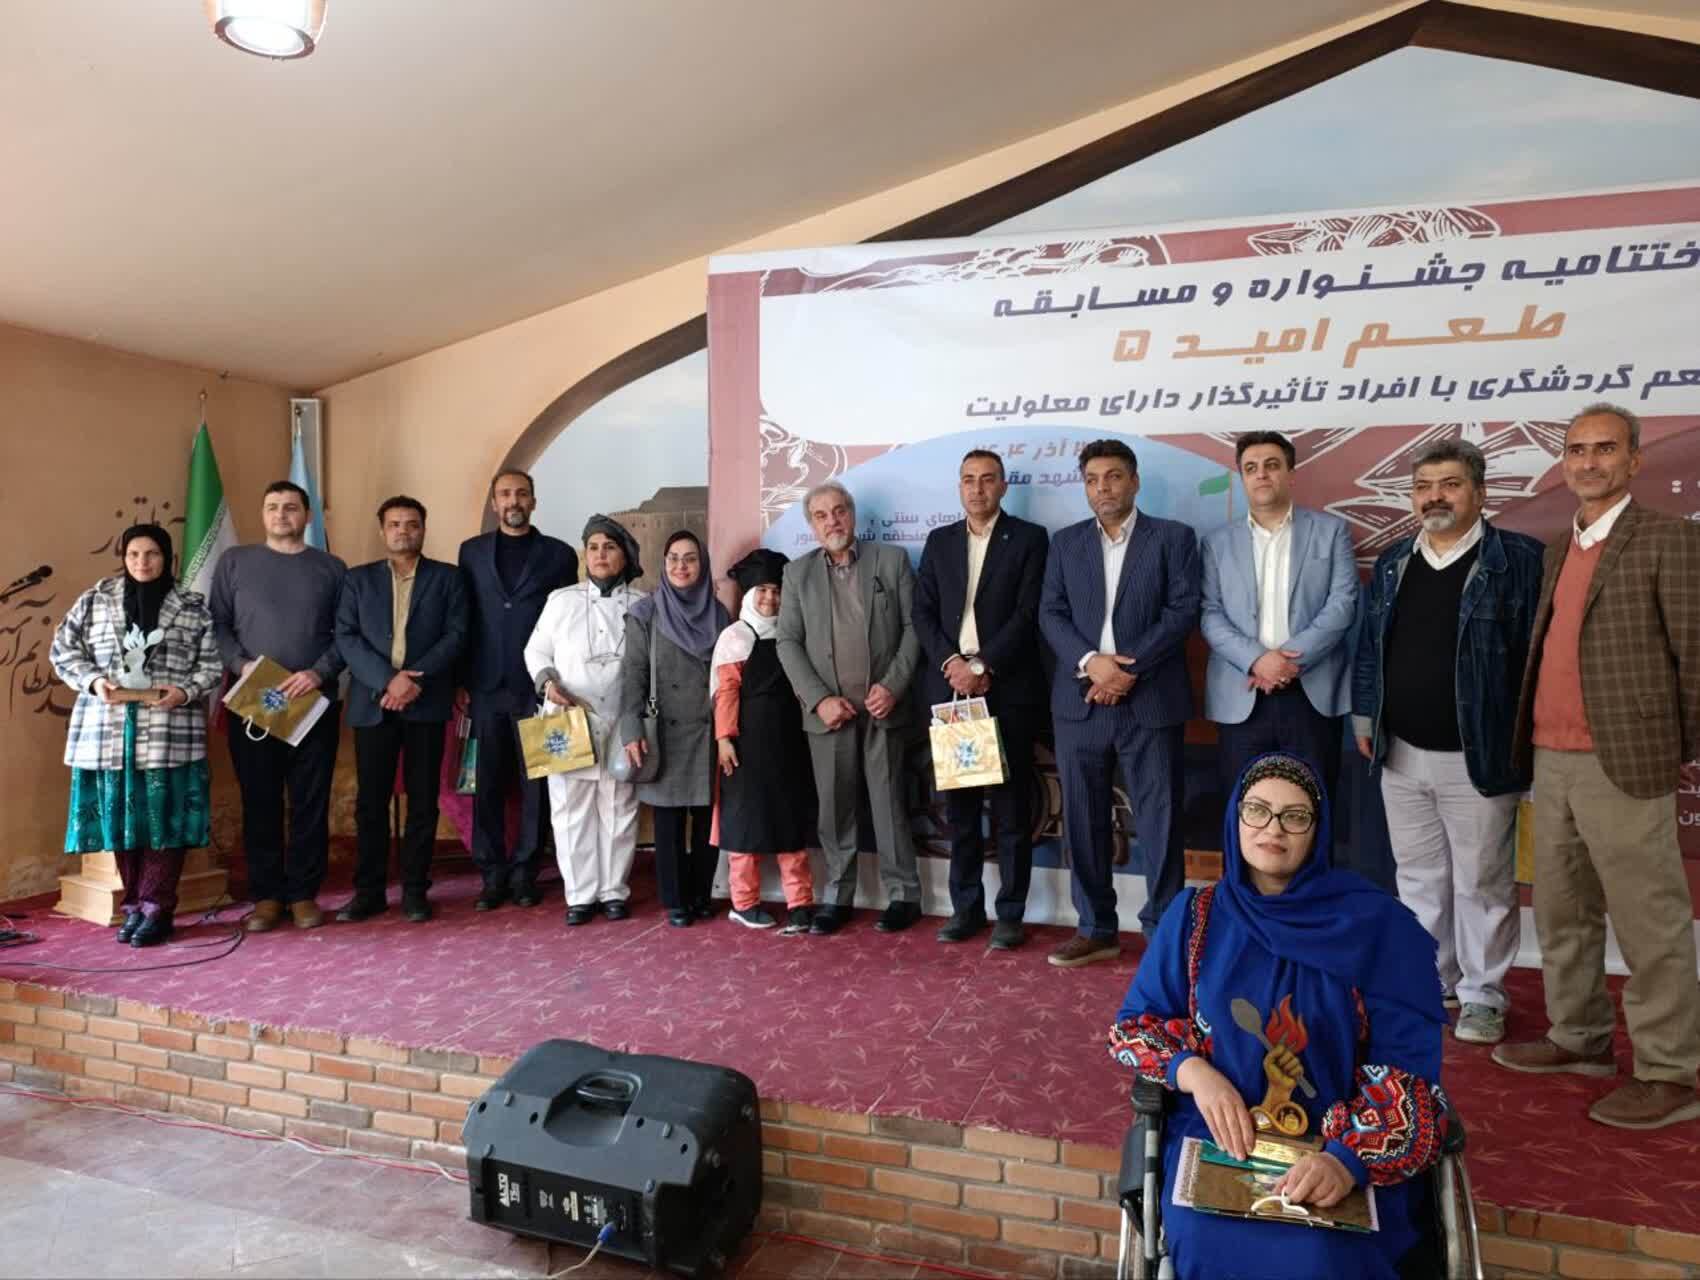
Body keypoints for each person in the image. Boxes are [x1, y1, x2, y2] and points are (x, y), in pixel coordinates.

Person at [1108, 753, 1448, 1280]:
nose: (1273, 829)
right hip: (1222, 1136)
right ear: (1235, 818)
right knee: (1204, 1240)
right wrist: (1195, 1074)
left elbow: (1409, 1077)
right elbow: (1134, 1028)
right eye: (1257, 810)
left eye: (1295, 816)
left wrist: (1346, 1161)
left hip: (1339, 1144)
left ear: (1318, 830)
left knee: (1320, 1257)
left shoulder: (1378, 929)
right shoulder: (1194, 917)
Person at [1495, 403, 1700, 1130]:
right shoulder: (1559, 547)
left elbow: (1694, 656)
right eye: (1577, 449)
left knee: (1650, 924)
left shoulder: (1669, 539)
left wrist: (1676, 748)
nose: (1589, 462)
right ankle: (1579, 1037)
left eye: (1605, 448)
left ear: (1635, 460)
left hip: (1625, 761)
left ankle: (1671, 1072)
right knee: (1562, 910)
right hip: (1551, 758)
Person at [1351, 438, 1543, 1046]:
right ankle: (1432, 981)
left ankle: (1484, 996)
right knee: (1418, 878)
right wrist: (1365, 717)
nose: (1435, 497)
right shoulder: (1394, 561)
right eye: (1423, 487)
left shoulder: (1518, 560)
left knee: (1482, 882)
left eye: (1450, 484)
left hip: (1479, 756)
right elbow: (1370, 649)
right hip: (1402, 750)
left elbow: (1535, 661)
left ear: (1481, 493)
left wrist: (1526, 742)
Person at [1038, 439, 1199, 967]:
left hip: (1149, 700)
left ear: (1134, 481)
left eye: (1112, 476)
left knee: (1160, 819)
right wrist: (1092, 664)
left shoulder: (1172, 538)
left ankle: (1164, 933)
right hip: (1080, 701)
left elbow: (1182, 611)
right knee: (1083, 819)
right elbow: (1051, 613)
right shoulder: (1065, 543)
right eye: (1092, 479)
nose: (1102, 488)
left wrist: (1127, 670)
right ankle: (1095, 928)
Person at [50, 524, 223, 947]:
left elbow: (212, 665)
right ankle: (134, 907)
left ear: (167, 558)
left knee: (164, 820)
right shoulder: (95, 599)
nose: (142, 562)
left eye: (152, 554)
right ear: (123, 558)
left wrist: (185, 691)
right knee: (122, 822)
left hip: (169, 730)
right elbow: (63, 650)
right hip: (108, 732)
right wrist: (94, 682)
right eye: (133, 554)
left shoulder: (192, 607)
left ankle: (157, 908)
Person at [913, 449, 1049, 949]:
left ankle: (1010, 913)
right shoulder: (940, 541)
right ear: (959, 487)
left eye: (987, 479)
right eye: (969, 479)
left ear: (1003, 486)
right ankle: (965, 909)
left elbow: (1029, 612)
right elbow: (922, 612)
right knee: (961, 810)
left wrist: (983, 665)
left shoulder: (1030, 539)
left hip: (1004, 689)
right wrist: (954, 664)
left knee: (1012, 811)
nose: (977, 488)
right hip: (953, 694)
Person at [775, 482, 924, 936]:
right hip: (830, 713)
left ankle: (904, 896)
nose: (833, 521)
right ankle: (837, 897)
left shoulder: (890, 561)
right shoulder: (797, 574)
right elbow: (787, 642)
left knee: (889, 804)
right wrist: (819, 699)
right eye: (822, 515)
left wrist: (893, 686)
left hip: (883, 707)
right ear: (812, 525)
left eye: (839, 511)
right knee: (834, 810)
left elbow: (914, 627)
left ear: (853, 515)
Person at [210, 481, 347, 932]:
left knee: (310, 801)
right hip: (254, 701)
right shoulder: (235, 562)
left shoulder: (331, 568)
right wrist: (241, 664)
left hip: (313, 701)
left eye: (290, 507)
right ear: (263, 514)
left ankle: (304, 894)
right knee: (260, 800)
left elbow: (346, 633)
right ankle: (267, 896)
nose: (281, 514)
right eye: (272, 507)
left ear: (307, 516)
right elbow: (218, 624)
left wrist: (318, 673)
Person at [334, 496, 467, 924]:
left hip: (425, 703)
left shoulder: (448, 579)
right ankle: (369, 891)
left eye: (412, 524)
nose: (403, 531)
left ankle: (415, 890)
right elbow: (346, 636)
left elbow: (456, 634)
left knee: (423, 802)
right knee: (370, 803)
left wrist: (414, 681)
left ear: (423, 529)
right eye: (395, 524)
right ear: (382, 531)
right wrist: (387, 681)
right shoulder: (357, 580)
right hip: (373, 704)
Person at [1201, 431, 1357, 795]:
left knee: (1313, 803)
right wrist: (1258, 660)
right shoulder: (1216, 543)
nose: (1261, 474)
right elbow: (1209, 613)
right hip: (1242, 693)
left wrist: (1287, 663)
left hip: (1312, 692)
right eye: (1251, 468)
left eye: (1272, 465)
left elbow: (1343, 603)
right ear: (1242, 478)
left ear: (1291, 474)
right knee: (1244, 808)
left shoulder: (1331, 531)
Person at [457, 469, 578, 911]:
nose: (513, 501)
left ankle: (527, 872)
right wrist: (460, 680)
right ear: (494, 503)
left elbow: (567, 625)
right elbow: (463, 618)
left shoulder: (560, 555)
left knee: (537, 787)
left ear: (533, 501)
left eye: (521, 494)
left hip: (539, 689)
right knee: (486, 785)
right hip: (485, 687)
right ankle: (491, 875)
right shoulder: (470, 553)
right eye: (505, 494)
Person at [524, 515, 646, 927]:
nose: (600, 555)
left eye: (609, 547)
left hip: (621, 719)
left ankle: (613, 891)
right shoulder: (561, 600)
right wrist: (547, 682)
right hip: (566, 717)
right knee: (569, 809)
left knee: (619, 807)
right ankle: (579, 895)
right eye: (593, 547)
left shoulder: (643, 603)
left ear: (624, 555)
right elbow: (535, 651)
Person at [622, 530, 729, 928]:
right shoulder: (645, 613)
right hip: (663, 729)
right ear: (663, 564)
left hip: (707, 728)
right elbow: (632, 674)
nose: (681, 566)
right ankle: (675, 900)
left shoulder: (719, 614)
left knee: (705, 819)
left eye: (690, 558)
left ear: (703, 565)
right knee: (668, 822)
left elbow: (728, 676)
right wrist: (630, 727)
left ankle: (701, 894)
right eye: (673, 558)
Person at [710, 548, 817, 933]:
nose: (770, 599)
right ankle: (744, 903)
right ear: (748, 595)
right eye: (762, 591)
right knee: (745, 825)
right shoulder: (735, 637)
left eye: (776, 591)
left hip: (789, 745)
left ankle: (800, 902)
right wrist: (724, 739)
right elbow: (726, 692)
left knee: (791, 825)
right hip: (744, 747)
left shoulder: (793, 634)